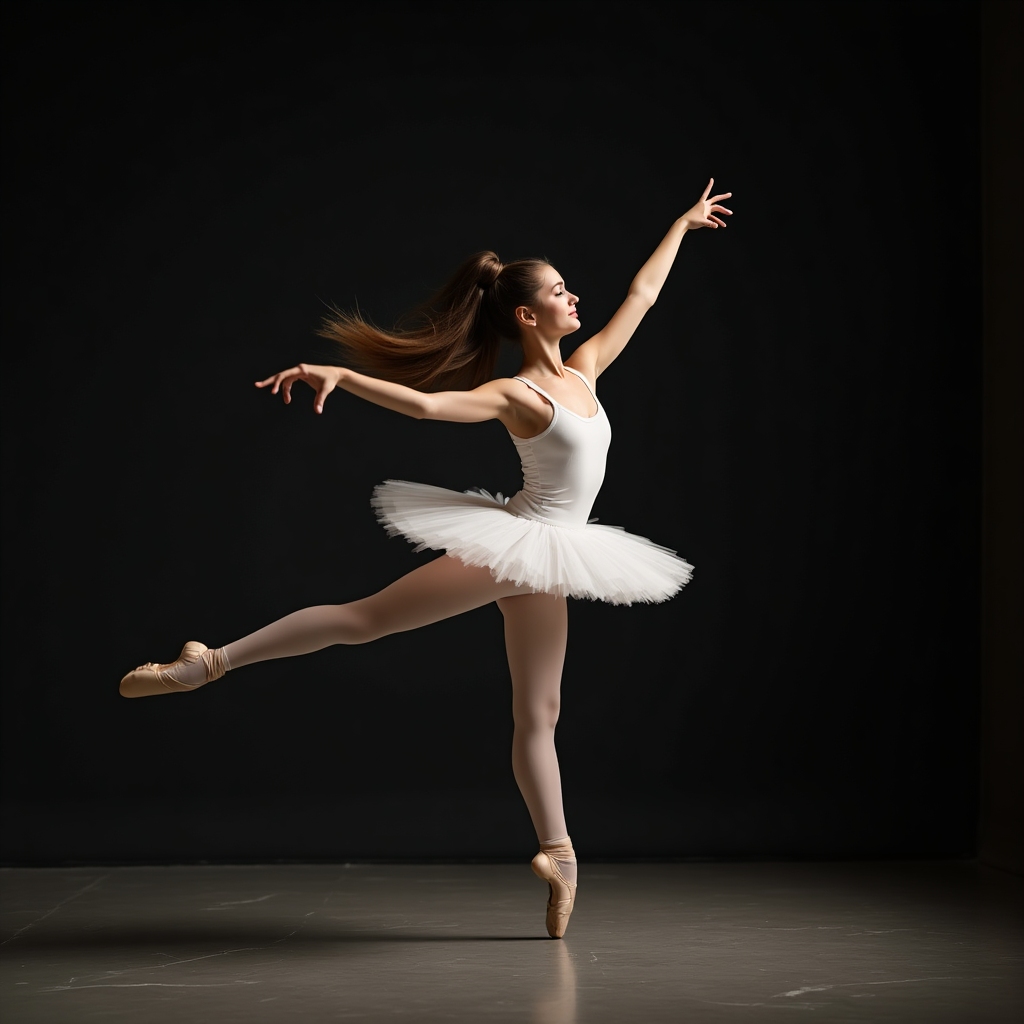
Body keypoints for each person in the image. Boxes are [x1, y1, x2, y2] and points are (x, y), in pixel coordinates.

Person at [119, 179, 733, 938]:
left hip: (552, 558)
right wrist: (341, 375)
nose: (577, 299)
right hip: (521, 545)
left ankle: (561, 853)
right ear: (525, 313)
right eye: (561, 292)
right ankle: (206, 664)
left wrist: (680, 223)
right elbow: (428, 408)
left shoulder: (585, 371)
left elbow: (642, 294)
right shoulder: (517, 394)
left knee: (539, 713)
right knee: (365, 619)